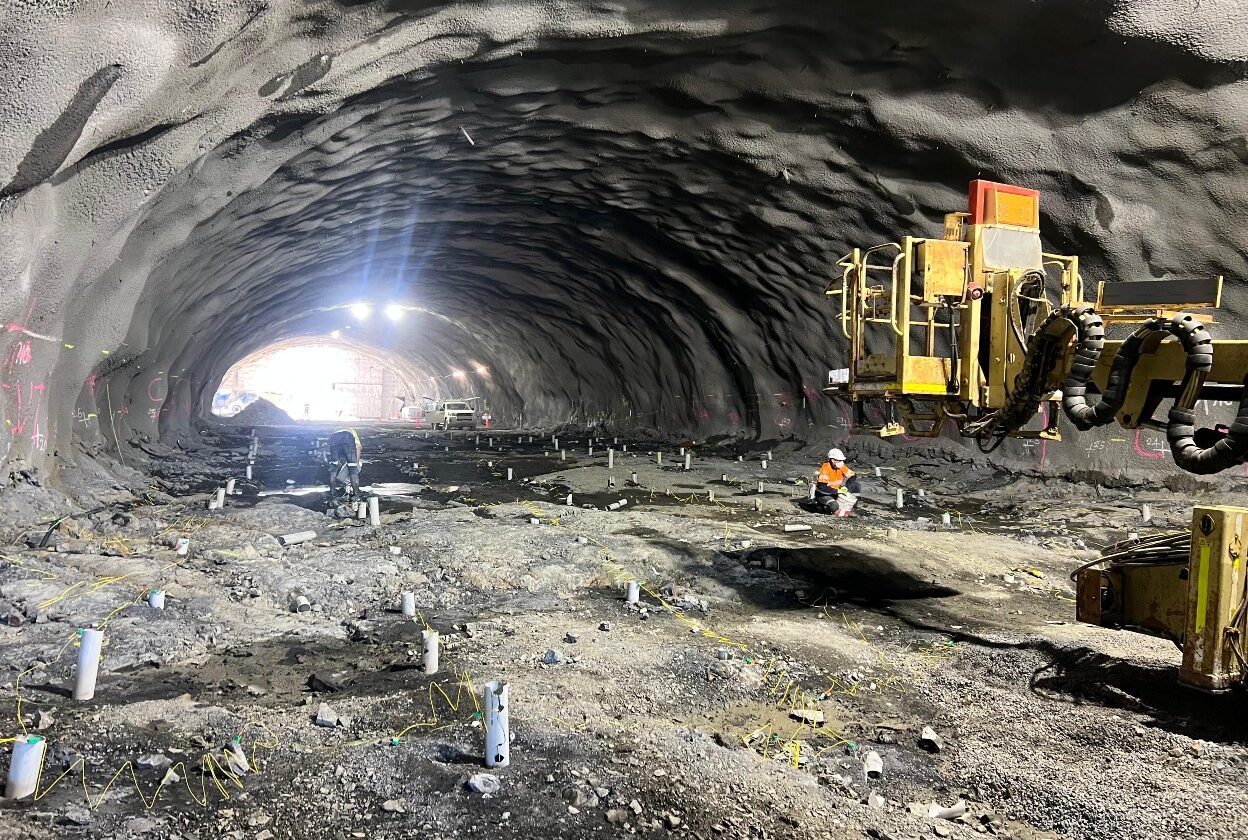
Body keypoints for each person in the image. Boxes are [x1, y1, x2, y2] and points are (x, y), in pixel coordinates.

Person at [814, 448, 861, 517]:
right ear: (833, 460)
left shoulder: (840, 466)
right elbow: (822, 487)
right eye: (839, 461)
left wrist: (846, 487)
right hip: (824, 494)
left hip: (836, 491)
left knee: (856, 485)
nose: (841, 462)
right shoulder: (826, 469)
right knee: (834, 506)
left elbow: (853, 476)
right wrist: (837, 491)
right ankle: (827, 509)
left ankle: (853, 506)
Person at [328, 427, 362, 500]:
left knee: (334, 467)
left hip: (334, 438)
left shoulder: (336, 431)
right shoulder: (353, 432)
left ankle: (332, 493)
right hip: (347, 437)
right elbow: (358, 448)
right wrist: (357, 462)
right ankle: (356, 495)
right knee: (353, 468)